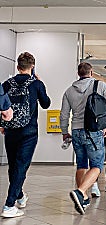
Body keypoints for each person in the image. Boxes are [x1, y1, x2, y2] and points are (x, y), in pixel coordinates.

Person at [1, 52, 51, 218]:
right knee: (21, 166)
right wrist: (40, 82)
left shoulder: (7, 84)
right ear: (32, 66)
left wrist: (2, 124)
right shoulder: (36, 84)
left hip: (10, 130)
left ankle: (20, 196)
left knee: (13, 166)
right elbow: (46, 104)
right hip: (29, 131)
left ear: (18, 67)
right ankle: (9, 205)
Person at [60, 62, 106, 215]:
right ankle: (80, 191)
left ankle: (82, 199)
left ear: (78, 74)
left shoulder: (69, 91)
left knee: (81, 164)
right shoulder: (100, 86)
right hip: (93, 130)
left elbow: (64, 114)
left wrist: (64, 131)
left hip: (76, 131)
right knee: (97, 166)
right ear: (91, 73)